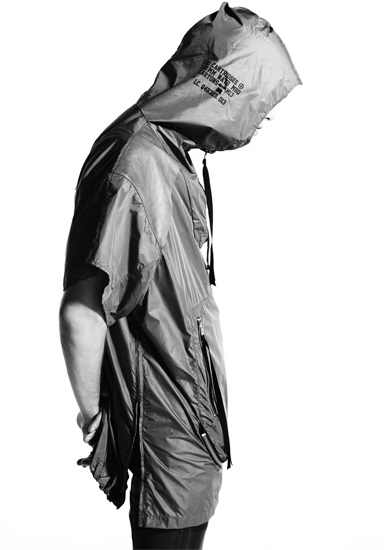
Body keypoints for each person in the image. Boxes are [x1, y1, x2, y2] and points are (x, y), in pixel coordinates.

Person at [59, 3, 301, 549]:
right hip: (166, 443)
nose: (262, 120)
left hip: (190, 436)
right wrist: (96, 418)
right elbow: (82, 309)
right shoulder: (138, 162)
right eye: (258, 102)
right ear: (223, 89)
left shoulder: (169, 154)